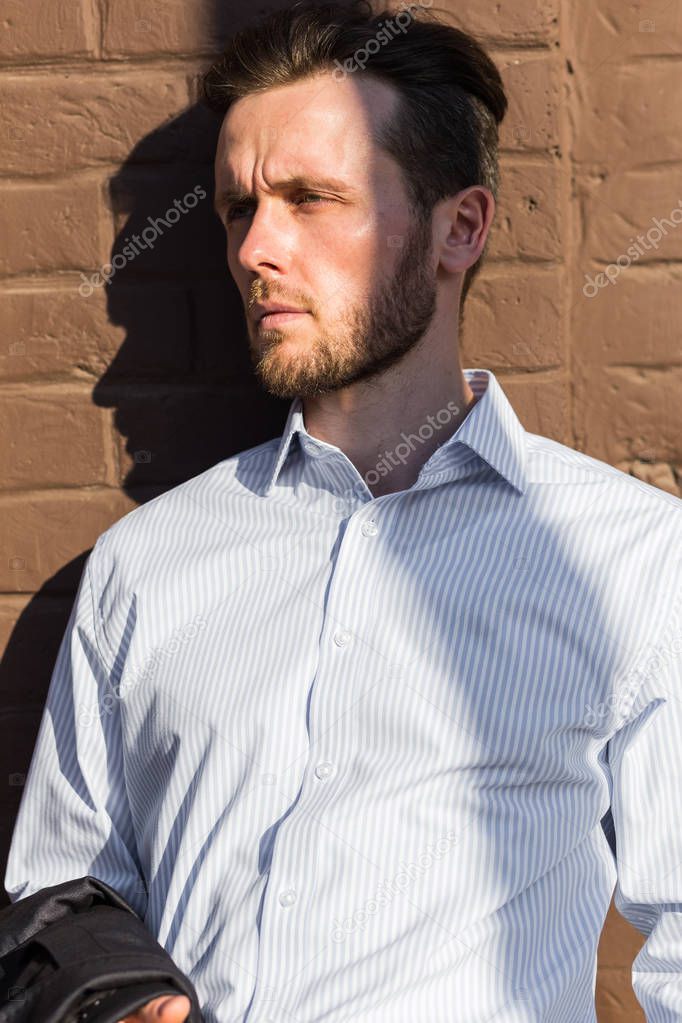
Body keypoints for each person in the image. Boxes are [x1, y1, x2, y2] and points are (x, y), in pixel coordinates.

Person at [5, 2, 682, 1021]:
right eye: (239, 208)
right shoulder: (147, 565)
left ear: (460, 227)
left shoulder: (628, 559)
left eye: (313, 198)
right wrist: (113, 996)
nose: (256, 249)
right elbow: (59, 892)